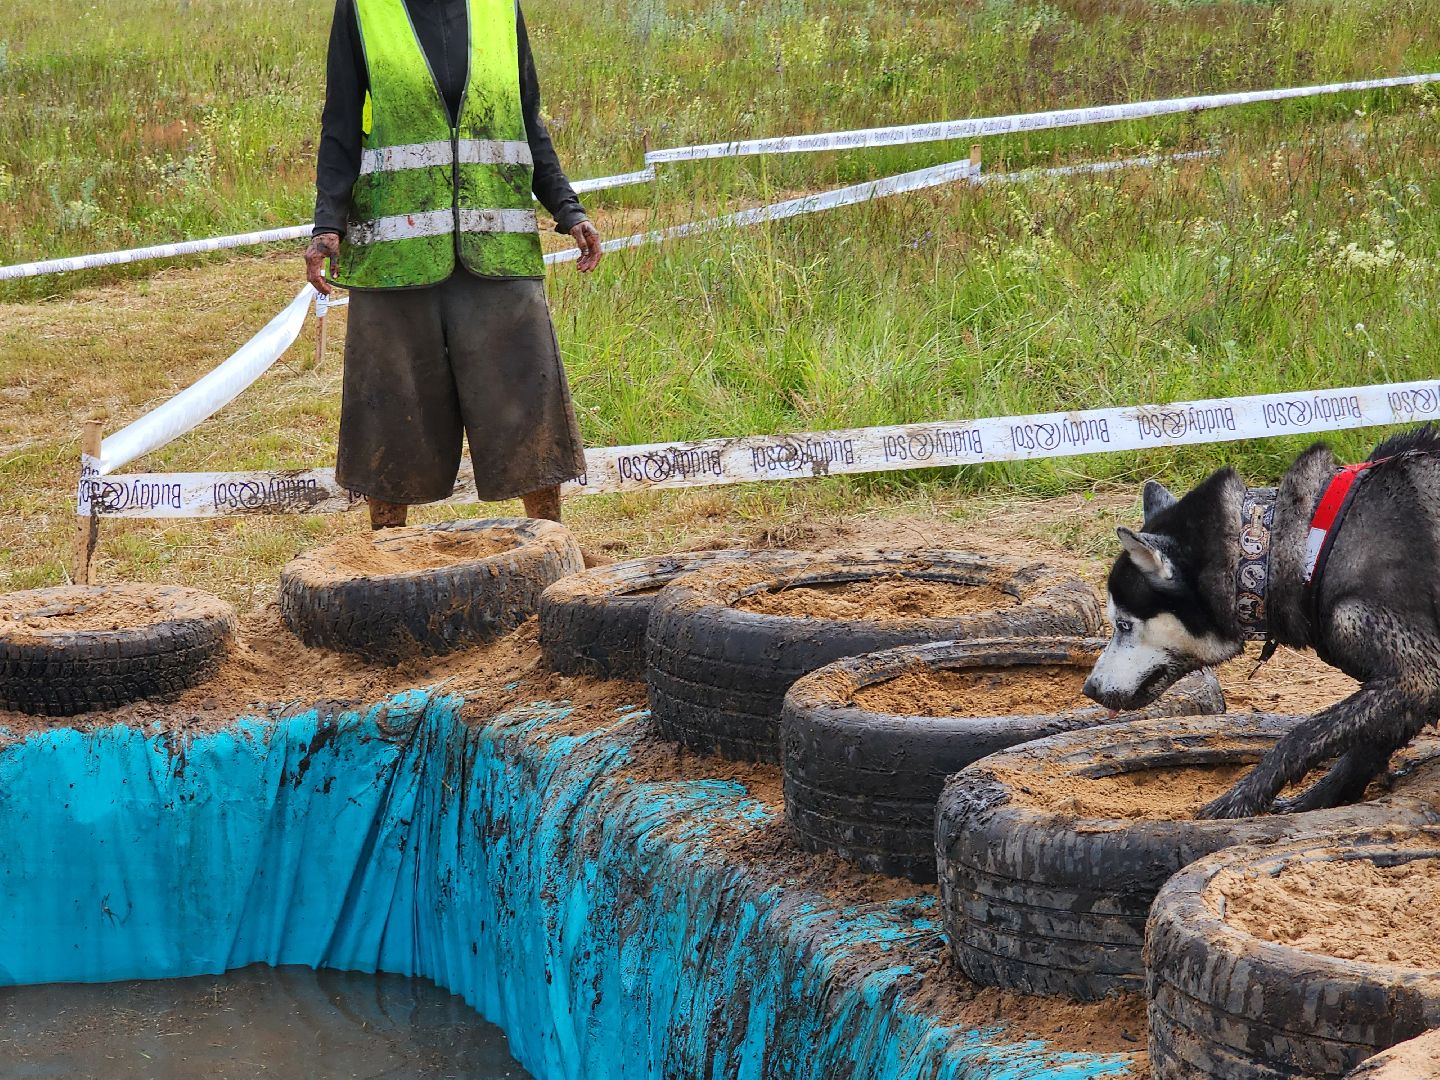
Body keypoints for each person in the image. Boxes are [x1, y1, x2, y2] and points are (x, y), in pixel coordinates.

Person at [303, 0, 601, 533]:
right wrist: (328, 222)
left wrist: (567, 207)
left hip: (498, 254)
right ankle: (385, 559)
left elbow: (526, 121)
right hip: (397, 260)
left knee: (528, 406)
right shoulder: (364, 11)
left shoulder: (499, 10)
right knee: (390, 413)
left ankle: (552, 546)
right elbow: (341, 124)